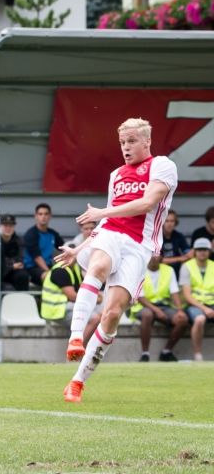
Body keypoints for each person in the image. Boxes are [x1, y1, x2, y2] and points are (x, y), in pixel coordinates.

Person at [56, 118, 178, 403]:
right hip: (111, 234)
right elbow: (107, 220)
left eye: (132, 141)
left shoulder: (162, 165)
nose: (126, 147)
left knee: (112, 315)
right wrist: (79, 248)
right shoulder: (116, 175)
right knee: (98, 265)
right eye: (122, 142)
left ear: (147, 141)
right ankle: (75, 337)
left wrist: (102, 212)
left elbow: (148, 203)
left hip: (138, 245)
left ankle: (77, 382)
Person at [131, 254, 188, 362]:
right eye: (151, 254)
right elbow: (140, 297)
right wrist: (156, 311)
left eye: (156, 255)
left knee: (183, 319)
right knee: (148, 314)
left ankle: (166, 352)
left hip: (164, 306)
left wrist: (180, 311)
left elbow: (174, 293)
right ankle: (145, 354)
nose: (153, 257)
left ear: (161, 258)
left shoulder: (169, 270)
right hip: (143, 306)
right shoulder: (139, 270)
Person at [39, 259, 101, 346]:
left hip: (66, 307)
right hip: (57, 310)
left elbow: (82, 288)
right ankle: (76, 347)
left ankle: (84, 348)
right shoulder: (60, 270)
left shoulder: (74, 268)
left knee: (101, 312)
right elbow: (72, 296)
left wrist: (96, 295)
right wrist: (95, 299)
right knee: (94, 319)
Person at [179, 237, 213, 362]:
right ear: (194, 251)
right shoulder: (187, 267)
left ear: (209, 251)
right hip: (194, 305)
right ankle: (198, 354)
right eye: (199, 249)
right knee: (199, 319)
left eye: (205, 249)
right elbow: (187, 296)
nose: (202, 252)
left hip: (211, 304)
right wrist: (205, 309)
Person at [23, 203, 65, 285]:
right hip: (32, 268)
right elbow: (37, 257)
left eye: (46, 214)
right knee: (50, 277)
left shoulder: (53, 233)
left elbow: (63, 248)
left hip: (49, 266)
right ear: (36, 216)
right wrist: (49, 272)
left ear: (50, 216)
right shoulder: (31, 234)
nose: (43, 216)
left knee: (64, 275)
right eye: (40, 214)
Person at [0, 214, 29, 291]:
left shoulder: (19, 241)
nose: (8, 228)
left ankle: (22, 300)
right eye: (5, 225)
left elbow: (20, 261)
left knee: (23, 276)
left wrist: (6, 264)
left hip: (12, 272)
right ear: (0, 226)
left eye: (11, 226)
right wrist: (11, 265)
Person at [160, 209, 191, 275]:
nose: (169, 224)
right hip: (160, 272)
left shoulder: (179, 236)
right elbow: (158, 260)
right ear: (162, 222)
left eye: (172, 221)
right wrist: (179, 259)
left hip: (177, 271)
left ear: (175, 223)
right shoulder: (157, 237)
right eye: (167, 221)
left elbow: (188, 254)